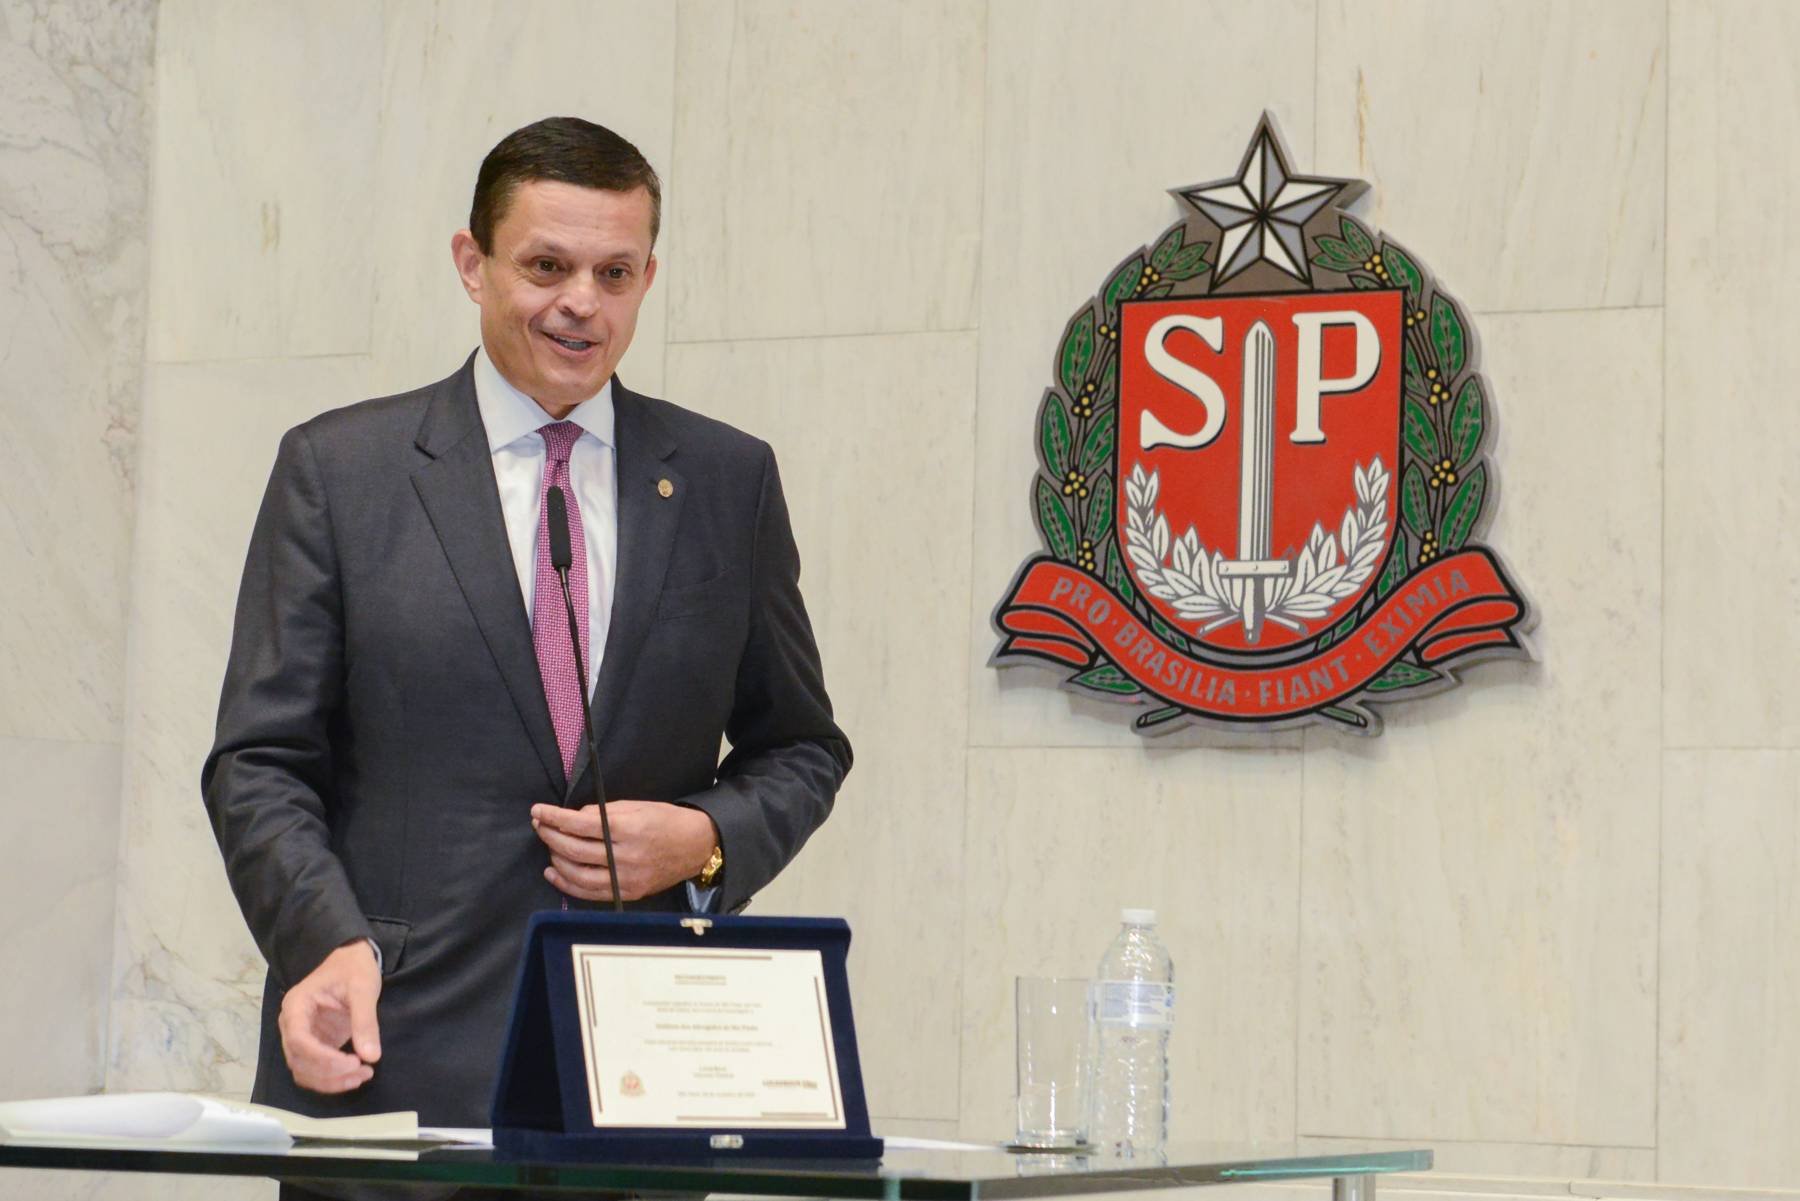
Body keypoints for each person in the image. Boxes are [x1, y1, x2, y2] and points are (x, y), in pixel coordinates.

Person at [202, 117, 849, 1152]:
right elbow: (259, 761)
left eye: (614, 272)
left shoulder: (728, 481)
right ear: (474, 263)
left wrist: (705, 836)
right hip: (388, 1061)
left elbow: (802, 745)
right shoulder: (342, 472)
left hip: (635, 1081)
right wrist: (324, 941)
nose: (582, 301)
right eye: (547, 266)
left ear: (647, 278)